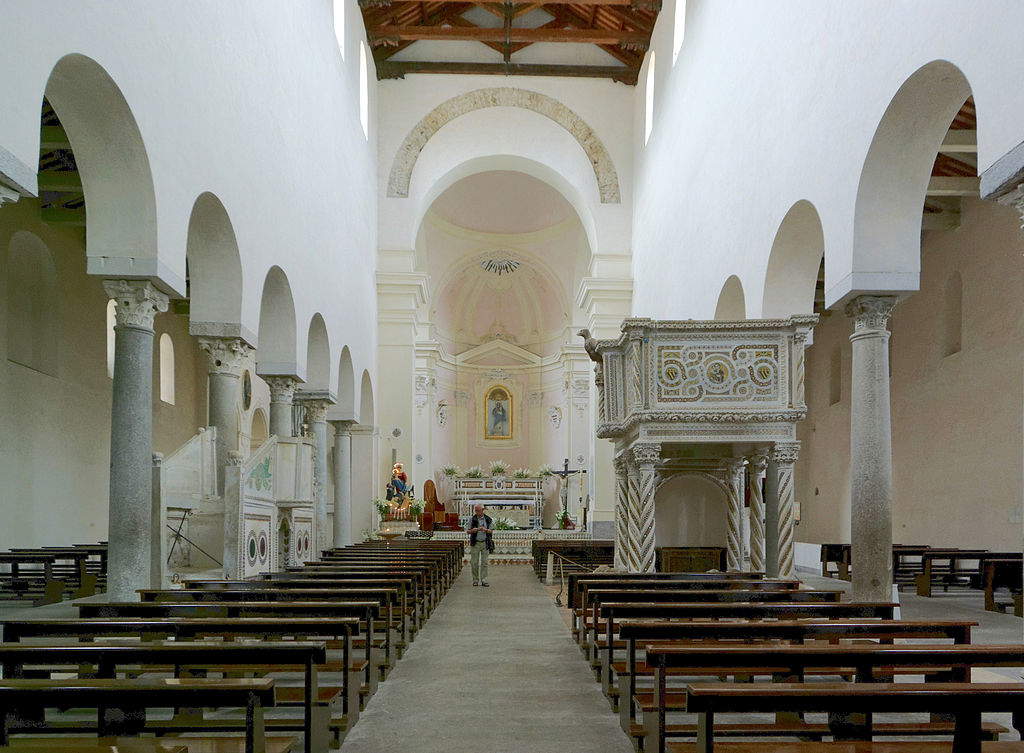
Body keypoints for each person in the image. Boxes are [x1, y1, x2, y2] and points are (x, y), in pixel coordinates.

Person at [467, 503, 493, 587]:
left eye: (478, 510)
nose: (477, 512)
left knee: (484, 562)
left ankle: (484, 579)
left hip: (485, 542)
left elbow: (491, 531)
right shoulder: (472, 519)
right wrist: (473, 530)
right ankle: (475, 579)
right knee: (474, 562)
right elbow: (468, 531)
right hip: (475, 543)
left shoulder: (488, 519)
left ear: (482, 510)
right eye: (476, 510)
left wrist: (485, 530)